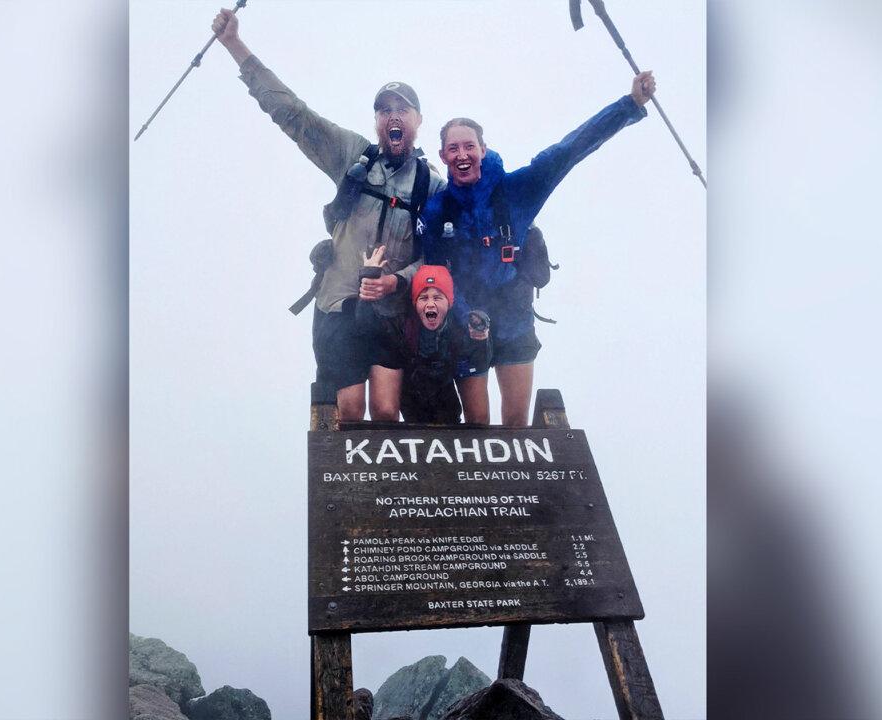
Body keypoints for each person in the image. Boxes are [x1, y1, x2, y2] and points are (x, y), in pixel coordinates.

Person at [211, 8, 446, 421]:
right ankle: (352, 490)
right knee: (349, 415)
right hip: (338, 305)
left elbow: (438, 257)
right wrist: (234, 45)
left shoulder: (432, 184)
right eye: (384, 110)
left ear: (417, 121)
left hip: (392, 315)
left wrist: (396, 281)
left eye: (403, 109)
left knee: (388, 412)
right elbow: (294, 115)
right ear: (376, 121)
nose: (393, 116)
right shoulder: (353, 155)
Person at [420, 72, 656, 426]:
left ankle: (517, 482)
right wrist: (466, 316)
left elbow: (570, 150)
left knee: (516, 424)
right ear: (443, 155)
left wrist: (630, 104)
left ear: (483, 149)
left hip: (514, 315)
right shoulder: (437, 210)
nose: (462, 154)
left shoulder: (518, 190)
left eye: (469, 146)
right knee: (477, 426)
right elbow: (435, 275)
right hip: (466, 321)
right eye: (453, 148)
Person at [356, 248, 490, 424]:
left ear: (449, 303)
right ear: (415, 303)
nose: (430, 304)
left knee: (474, 417)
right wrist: (369, 277)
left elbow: (478, 363)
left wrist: (480, 341)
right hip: (411, 399)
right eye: (424, 298)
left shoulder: (459, 329)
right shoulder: (403, 325)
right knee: (390, 412)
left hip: (445, 402)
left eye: (438, 297)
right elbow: (366, 326)